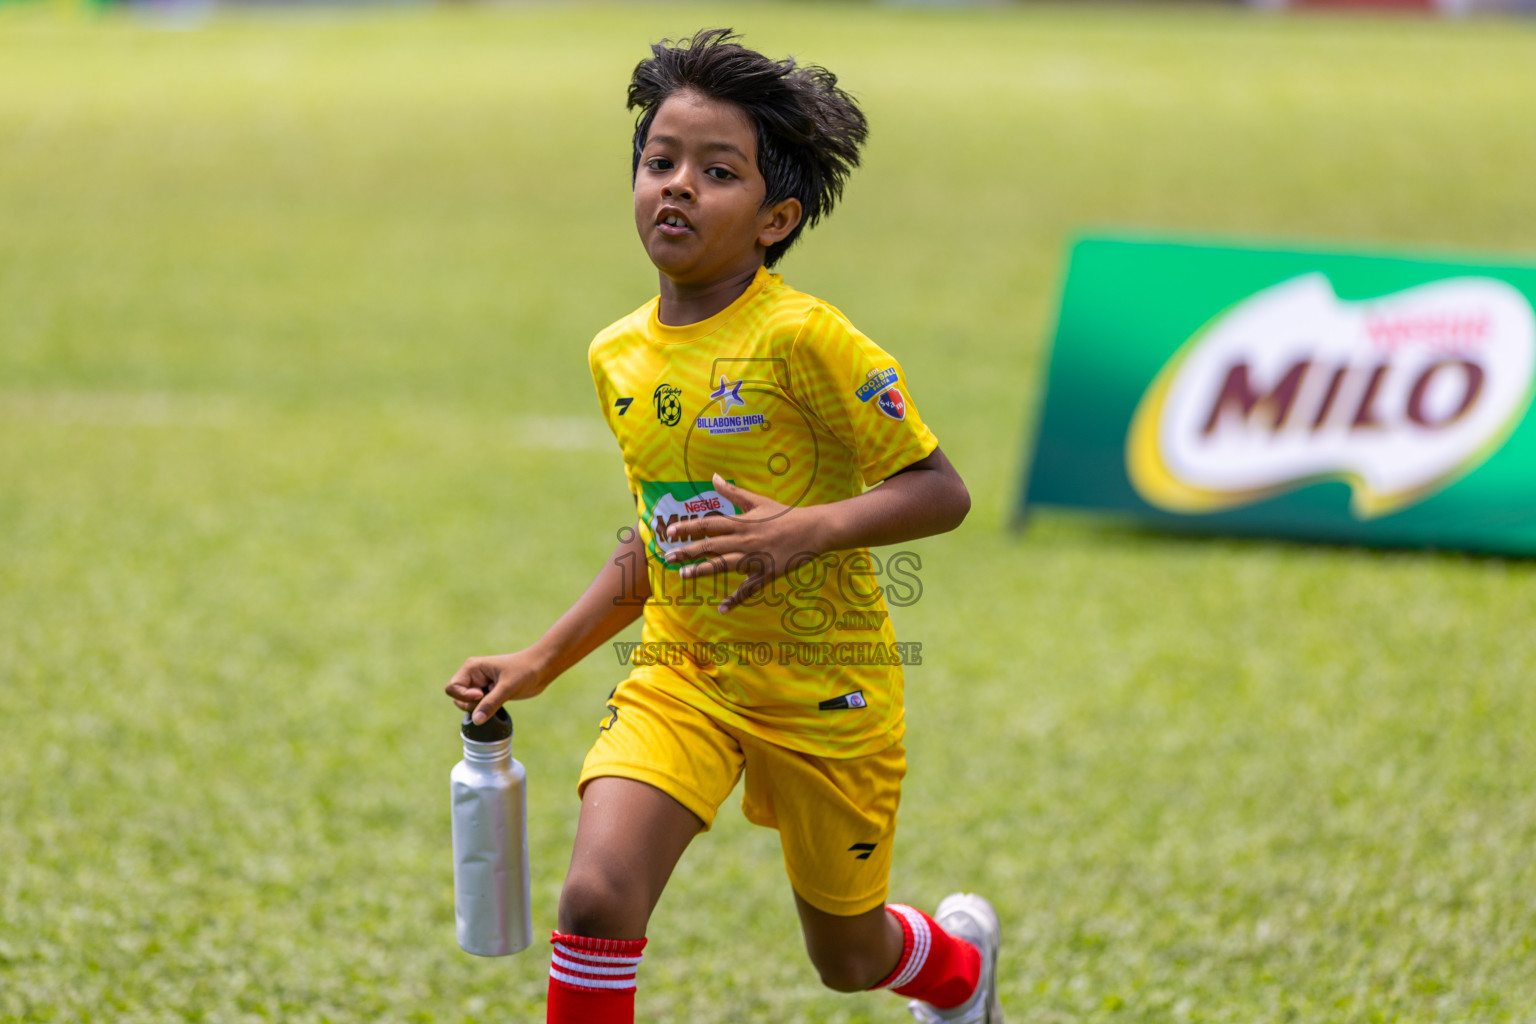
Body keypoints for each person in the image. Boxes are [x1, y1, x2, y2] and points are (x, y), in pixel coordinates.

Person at [445, 28, 999, 1024]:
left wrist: (806, 530)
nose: (678, 187)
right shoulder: (617, 354)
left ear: (776, 217)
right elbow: (657, 543)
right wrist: (542, 657)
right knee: (596, 895)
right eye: (660, 162)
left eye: (717, 171)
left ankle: (960, 975)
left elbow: (941, 491)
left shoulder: (807, 338)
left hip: (824, 681)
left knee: (849, 954)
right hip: (682, 675)